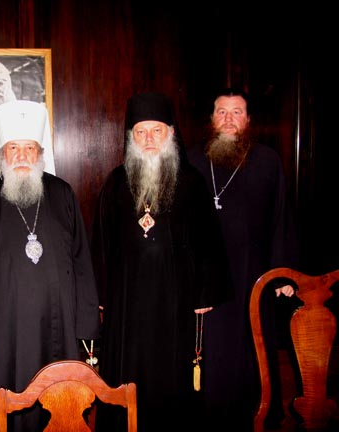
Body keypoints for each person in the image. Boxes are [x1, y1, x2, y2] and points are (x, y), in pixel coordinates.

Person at [0, 99, 101, 431]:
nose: (22, 156)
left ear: (40, 152)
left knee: (57, 401)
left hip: (57, 323)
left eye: (29, 148)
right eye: (14, 148)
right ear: (2, 154)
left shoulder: (62, 194)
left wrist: (85, 326)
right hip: (2, 327)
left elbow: (81, 260)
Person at [91, 92, 232, 431]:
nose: (149, 139)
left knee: (173, 377)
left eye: (156, 130)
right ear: (131, 137)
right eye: (141, 132)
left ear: (170, 133)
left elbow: (209, 241)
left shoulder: (192, 182)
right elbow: (101, 243)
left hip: (176, 300)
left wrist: (204, 292)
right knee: (127, 371)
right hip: (127, 303)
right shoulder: (115, 183)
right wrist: (101, 296)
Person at [187, 87, 299, 431]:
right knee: (210, 351)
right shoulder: (191, 160)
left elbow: (281, 217)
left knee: (252, 349)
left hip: (253, 274)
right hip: (206, 279)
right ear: (211, 119)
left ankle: (254, 413)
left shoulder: (267, 161)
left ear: (248, 120)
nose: (229, 119)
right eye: (222, 112)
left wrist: (283, 272)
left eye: (237, 112)